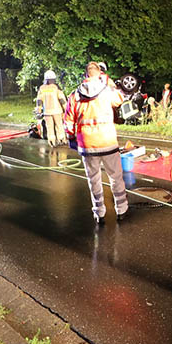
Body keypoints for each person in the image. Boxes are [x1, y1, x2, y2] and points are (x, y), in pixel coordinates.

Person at [64, 61, 129, 223]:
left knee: (94, 179)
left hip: (87, 145)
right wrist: (111, 83)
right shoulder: (106, 91)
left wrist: (72, 138)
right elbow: (121, 99)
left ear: (85, 75)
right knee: (116, 177)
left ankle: (99, 212)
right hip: (107, 142)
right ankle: (121, 209)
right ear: (99, 74)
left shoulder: (74, 95)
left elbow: (68, 122)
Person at [36, 70, 67, 147]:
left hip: (47, 112)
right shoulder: (56, 88)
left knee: (50, 128)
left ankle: (52, 142)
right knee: (59, 126)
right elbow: (62, 99)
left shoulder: (42, 88)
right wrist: (66, 109)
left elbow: (39, 100)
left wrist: (39, 111)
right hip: (57, 111)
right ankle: (61, 140)